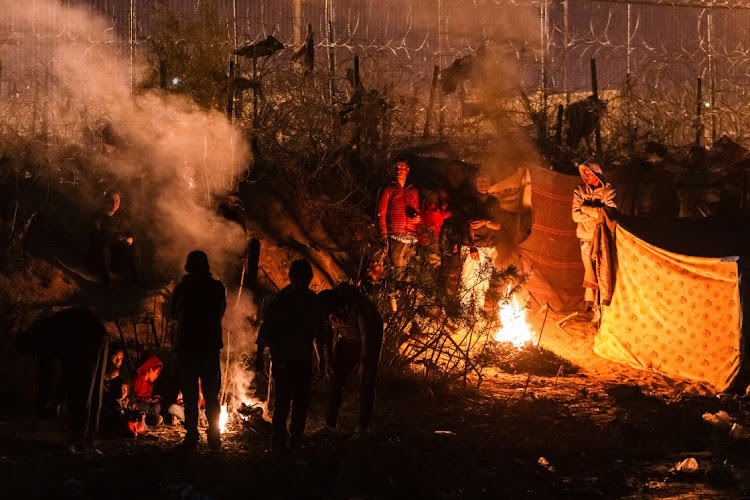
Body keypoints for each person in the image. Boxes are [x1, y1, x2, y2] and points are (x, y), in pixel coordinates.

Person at [255, 259, 326, 451]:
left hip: (302, 359)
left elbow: (319, 333)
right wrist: (259, 356)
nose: (301, 283)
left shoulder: (312, 302)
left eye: (305, 279)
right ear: (292, 278)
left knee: (301, 403)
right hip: (283, 360)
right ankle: (278, 443)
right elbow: (266, 330)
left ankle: (296, 442)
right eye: (298, 279)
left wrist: (322, 360)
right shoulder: (280, 301)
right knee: (282, 403)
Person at [12, 308, 110, 447]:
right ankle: (88, 434)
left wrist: (46, 406)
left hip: (87, 336)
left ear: (27, 346)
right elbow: (66, 367)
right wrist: (57, 399)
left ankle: (81, 436)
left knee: (83, 387)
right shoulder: (45, 330)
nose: (34, 357)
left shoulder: (40, 338)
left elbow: (47, 376)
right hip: (98, 333)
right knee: (94, 386)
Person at [169, 250, 226, 452]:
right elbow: (221, 312)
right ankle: (214, 438)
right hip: (208, 351)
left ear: (188, 268)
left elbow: (173, 314)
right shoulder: (217, 288)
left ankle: (192, 437)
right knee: (211, 397)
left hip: (188, 350)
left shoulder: (183, 289)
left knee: (191, 398)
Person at [318, 283, 383, 436]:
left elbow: (368, 336)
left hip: (369, 342)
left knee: (366, 381)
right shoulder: (326, 310)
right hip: (348, 342)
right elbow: (326, 335)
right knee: (335, 378)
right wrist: (328, 360)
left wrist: (365, 362)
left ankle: (362, 427)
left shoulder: (359, 306)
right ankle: (330, 425)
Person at [572, 159, 617, 324]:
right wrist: (597, 211)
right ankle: (595, 313)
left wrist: (585, 208)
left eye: (589, 172)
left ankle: (603, 314)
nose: (586, 175)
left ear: (597, 173)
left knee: (603, 275)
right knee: (591, 275)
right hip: (585, 239)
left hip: (603, 239)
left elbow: (610, 214)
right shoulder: (579, 191)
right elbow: (575, 216)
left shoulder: (609, 191)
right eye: (584, 173)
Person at [460, 173, 502, 315]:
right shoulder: (469, 201)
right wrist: (472, 246)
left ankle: (477, 317)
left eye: (487, 180)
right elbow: (468, 225)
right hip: (471, 247)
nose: (484, 183)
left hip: (488, 246)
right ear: (475, 182)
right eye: (480, 180)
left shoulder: (494, 202)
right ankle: (462, 318)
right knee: (467, 282)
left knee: (482, 284)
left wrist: (486, 222)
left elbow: (498, 225)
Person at [89, 190, 139, 288]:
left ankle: (136, 277)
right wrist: (117, 239)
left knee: (134, 246)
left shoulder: (121, 217)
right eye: (111, 200)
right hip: (100, 258)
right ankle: (106, 280)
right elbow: (97, 240)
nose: (114, 203)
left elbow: (131, 232)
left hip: (116, 258)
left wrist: (131, 238)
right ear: (105, 201)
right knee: (105, 248)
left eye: (117, 200)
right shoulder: (97, 218)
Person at [377, 158, 421, 267]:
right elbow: (381, 215)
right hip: (396, 237)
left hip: (411, 238)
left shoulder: (413, 192)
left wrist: (418, 219)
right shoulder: (388, 189)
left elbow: (417, 213)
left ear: (408, 170)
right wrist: (384, 237)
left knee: (410, 268)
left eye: (402, 167)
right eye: (396, 168)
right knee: (398, 267)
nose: (399, 170)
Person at [133, 355, 164, 426]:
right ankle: (146, 420)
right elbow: (132, 397)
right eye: (156, 372)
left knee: (157, 407)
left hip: (146, 406)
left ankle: (148, 419)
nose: (157, 375)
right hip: (139, 406)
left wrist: (154, 399)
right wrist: (143, 399)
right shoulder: (138, 380)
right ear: (150, 370)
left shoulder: (150, 384)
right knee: (145, 406)